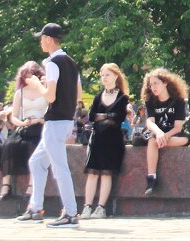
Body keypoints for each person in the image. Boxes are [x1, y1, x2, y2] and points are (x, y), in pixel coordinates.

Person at [16, 22, 83, 228]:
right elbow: (78, 95)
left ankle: (71, 213)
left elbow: (51, 96)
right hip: (64, 120)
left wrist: (38, 85)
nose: (40, 42)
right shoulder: (71, 62)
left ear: (47, 39)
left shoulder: (53, 63)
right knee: (37, 162)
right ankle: (35, 208)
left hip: (55, 121)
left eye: (41, 38)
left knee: (59, 167)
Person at [81, 63, 129, 220]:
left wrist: (104, 116)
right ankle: (87, 206)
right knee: (92, 173)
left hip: (112, 140)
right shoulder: (98, 97)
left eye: (107, 74)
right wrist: (107, 116)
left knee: (106, 173)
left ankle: (101, 207)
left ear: (115, 76)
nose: (104, 78)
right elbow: (92, 116)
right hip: (97, 139)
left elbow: (119, 117)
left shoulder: (122, 97)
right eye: (102, 75)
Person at [0, 61, 47, 200]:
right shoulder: (20, 92)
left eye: (31, 76)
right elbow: (14, 116)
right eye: (25, 76)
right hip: (25, 126)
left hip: (42, 126)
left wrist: (41, 120)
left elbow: (52, 111)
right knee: (7, 146)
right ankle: (6, 185)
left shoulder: (45, 90)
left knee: (34, 147)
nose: (28, 79)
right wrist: (22, 123)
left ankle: (31, 186)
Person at [141, 67, 190, 196]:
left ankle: (157, 142)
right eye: (151, 85)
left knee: (185, 140)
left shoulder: (179, 101)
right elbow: (150, 122)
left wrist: (165, 136)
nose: (153, 87)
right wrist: (159, 134)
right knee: (153, 141)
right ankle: (151, 179)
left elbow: (178, 127)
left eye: (156, 83)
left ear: (165, 83)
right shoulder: (150, 100)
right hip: (156, 134)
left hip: (173, 134)